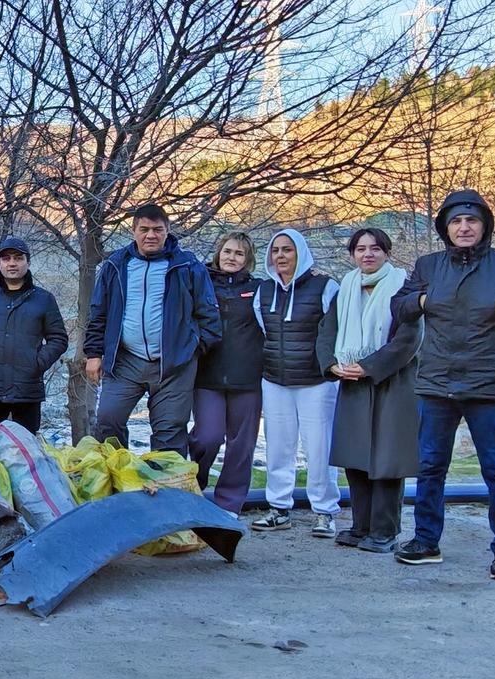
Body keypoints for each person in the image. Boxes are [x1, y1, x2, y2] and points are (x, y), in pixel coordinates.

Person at [391, 190, 495, 580]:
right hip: (436, 384)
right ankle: (425, 541)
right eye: (456, 222)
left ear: (484, 226)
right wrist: (420, 300)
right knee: (431, 467)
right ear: (445, 228)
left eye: (472, 221)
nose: (464, 228)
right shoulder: (428, 266)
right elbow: (399, 307)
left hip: (488, 386)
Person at [83, 204, 221, 453]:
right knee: (107, 420)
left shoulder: (187, 266)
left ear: (167, 231)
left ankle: (166, 487)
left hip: (174, 365)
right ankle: (118, 482)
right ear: (133, 230)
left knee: (170, 431)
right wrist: (94, 353)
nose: (151, 235)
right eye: (144, 229)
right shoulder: (116, 264)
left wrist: (192, 350)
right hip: (125, 361)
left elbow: (209, 314)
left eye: (158, 229)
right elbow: (98, 312)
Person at [317, 228, 420, 552]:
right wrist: (332, 364)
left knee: (387, 460)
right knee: (356, 457)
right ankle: (361, 526)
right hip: (352, 384)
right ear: (352, 255)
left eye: (375, 248)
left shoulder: (403, 288)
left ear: (386, 252)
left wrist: (370, 366)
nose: (368, 254)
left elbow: (410, 337)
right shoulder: (346, 288)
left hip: (391, 382)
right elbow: (327, 331)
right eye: (360, 249)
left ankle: (385, 531)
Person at [248, 229, 342, 537]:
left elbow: (334, 334)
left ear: (300, 252)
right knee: (278, 447)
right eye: (275, 251)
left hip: (316, 382)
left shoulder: (326, 288)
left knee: (319, 448)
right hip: (275, 380)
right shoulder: (263, 292)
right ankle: (278, 508)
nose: (281, 256)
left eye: (287, 250)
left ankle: (324, 511)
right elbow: (264, 332)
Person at [0, 238, 69, 437]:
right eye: (6, 258)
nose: (12, 263)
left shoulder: (44, 299)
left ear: (28, 262)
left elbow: (58, 338)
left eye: (18, 258)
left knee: (25, 453)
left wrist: (37, 363)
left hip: (27, 390)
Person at [189, 232, 263, 514]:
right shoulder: (201, 283)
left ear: (248, 259)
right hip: (207, 376)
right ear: (219, 253)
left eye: (239, 253)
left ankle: (229, 505)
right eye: (228, 251)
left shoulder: (259, 289)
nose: (232, 257)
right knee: (207, 437)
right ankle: (194, 489)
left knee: (241, 446)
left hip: (248, 379)